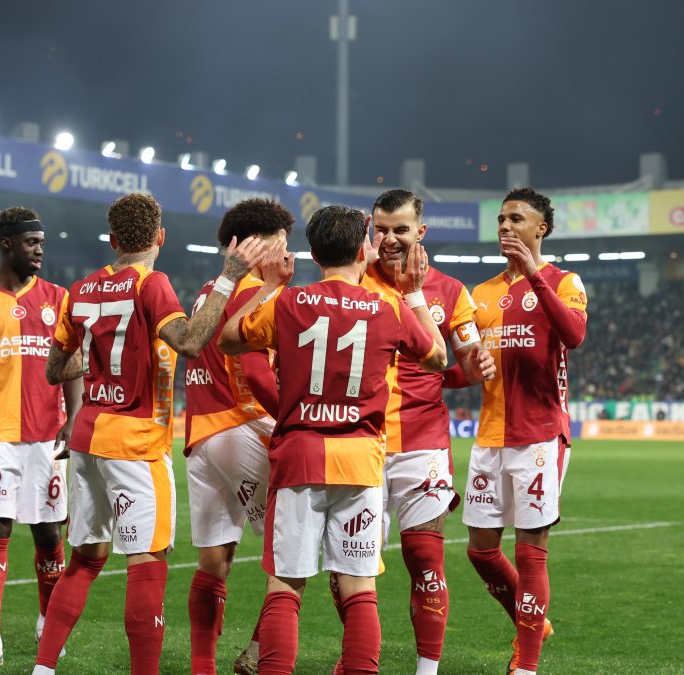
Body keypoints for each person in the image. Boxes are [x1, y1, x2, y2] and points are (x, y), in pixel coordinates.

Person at [33, 193, 266, 675]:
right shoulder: (151, 282)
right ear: (161, 237)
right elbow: (191, 342)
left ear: (113, 240)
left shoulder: (79, 290)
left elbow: (57, 369)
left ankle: (43, 667)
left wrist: (99, 362)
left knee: (85, 560)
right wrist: (228, 276)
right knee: (147, 563)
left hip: (87, 440)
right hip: (136, 443)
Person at [219, 205, 449, 675]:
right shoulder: (388, 307)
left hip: (299, 460)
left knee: (285, 588)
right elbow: (439, 357)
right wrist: (414, 293)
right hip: (360, 463)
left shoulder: (288, 302)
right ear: (363, 249)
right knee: (359, 590)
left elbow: (226, 338)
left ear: (313, 254)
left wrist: (268, 285)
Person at [337, 189, 495, 675]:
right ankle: (357, 657)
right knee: (349, 568)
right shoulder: (352, 280)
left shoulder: (451, 291)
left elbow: (465, 364)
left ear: (420, 232)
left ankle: (427, 671)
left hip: (422, 444)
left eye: (400, 230)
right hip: (357, 442)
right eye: (381, 229)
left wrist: (478, 365)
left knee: (425, 559)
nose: (389, 239)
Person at [455, 187, 587, 675]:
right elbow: (466, 365)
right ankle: (534, 623)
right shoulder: (481, 294)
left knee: (531, 553)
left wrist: (534, 275)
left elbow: (574, 335)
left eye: (516, 219)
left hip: (540, 436)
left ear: (540, 228)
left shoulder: (565, 282)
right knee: (480, 550)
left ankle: (525, 663)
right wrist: (466, 369)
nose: (506, 227)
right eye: (501, 220)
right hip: (490, 435)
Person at [0, 207, 83, 671]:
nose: (40, 250)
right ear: (7, 244)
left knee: (48, 533)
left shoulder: (59, 299)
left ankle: (48, 626)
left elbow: (73, 365)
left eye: (42, 242)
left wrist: (74, 418)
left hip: (47, 435)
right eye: (32, 242)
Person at [181, 199, 293, 675]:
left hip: (202, 437)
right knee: (289, 554)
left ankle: (202, 666)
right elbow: (255, 370)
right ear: (257, 245)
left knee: (213, 560)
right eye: (283, 244)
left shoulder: (212, 289)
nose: (288, 254)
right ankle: (257, 653)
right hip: (243, 427)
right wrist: (291, 420)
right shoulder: (255, 290)